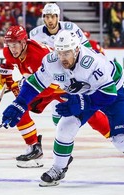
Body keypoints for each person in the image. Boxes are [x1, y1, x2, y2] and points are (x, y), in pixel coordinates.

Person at [1, 30, 124, 187]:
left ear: (76, 50)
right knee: (64, 128)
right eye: (60, 53)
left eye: (67, 53)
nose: (63, 58)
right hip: (83, 94)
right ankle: (58, 168)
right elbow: (36, 82)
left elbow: (108, 94)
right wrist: (20, 104)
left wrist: (80, 102)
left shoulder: (92, 62)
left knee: (123, 141)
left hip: (113, 90)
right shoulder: (52, 61)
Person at [29, 3, 110, 136]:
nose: (50, 20)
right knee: (57, 114)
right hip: (53, 79)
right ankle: (64, 140)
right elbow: (31, 56)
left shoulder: (71, 28)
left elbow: (87, 49)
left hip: (74, 77)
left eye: (53, 16)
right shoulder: (34, 34)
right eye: (47, 17)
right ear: (43, 18)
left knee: (89, 111)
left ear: (58, 17)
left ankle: (113, 135)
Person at [0, 25, 64, 168]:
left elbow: (50, 86)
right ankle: (34, 148)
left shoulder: (38, 55)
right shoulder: (10, 51)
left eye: (15, 45)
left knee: (91, 115)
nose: (12, 49)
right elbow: (9, 61)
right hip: (40, 85)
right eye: (10, 45)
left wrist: (21, 87)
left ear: (23, 43)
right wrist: (6, 76)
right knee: (18, 109)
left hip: (61, 85)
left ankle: (120, 139)